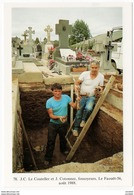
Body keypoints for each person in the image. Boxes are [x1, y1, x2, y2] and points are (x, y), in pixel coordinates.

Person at [44, 83, 76, 165]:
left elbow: (75, 106)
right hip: (53, 124)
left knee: (63, 138)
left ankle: (63, 149)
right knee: (51, 141)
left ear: (61, 91)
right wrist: (59, 117)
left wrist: (78, 100)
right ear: (52, 92)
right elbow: (51, 115)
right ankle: (48, 157)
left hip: (63, 124)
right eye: (55, 91)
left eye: (59, 91)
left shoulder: (66, 98)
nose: (57, 93)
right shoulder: (49, 102)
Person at [72, 60, 104, 137]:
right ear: (90, 67)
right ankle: (75, 128)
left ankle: (83, 120)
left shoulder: (101, 76)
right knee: (79, 113)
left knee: (89, 108)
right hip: (82, 96)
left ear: (98, 68)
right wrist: (76, 89)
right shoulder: (85, 74)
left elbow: (101, 87)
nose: (94, 69)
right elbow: (77, 82)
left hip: (91, 97)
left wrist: (99, 88)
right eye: (92, 67)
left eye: (96, 67)